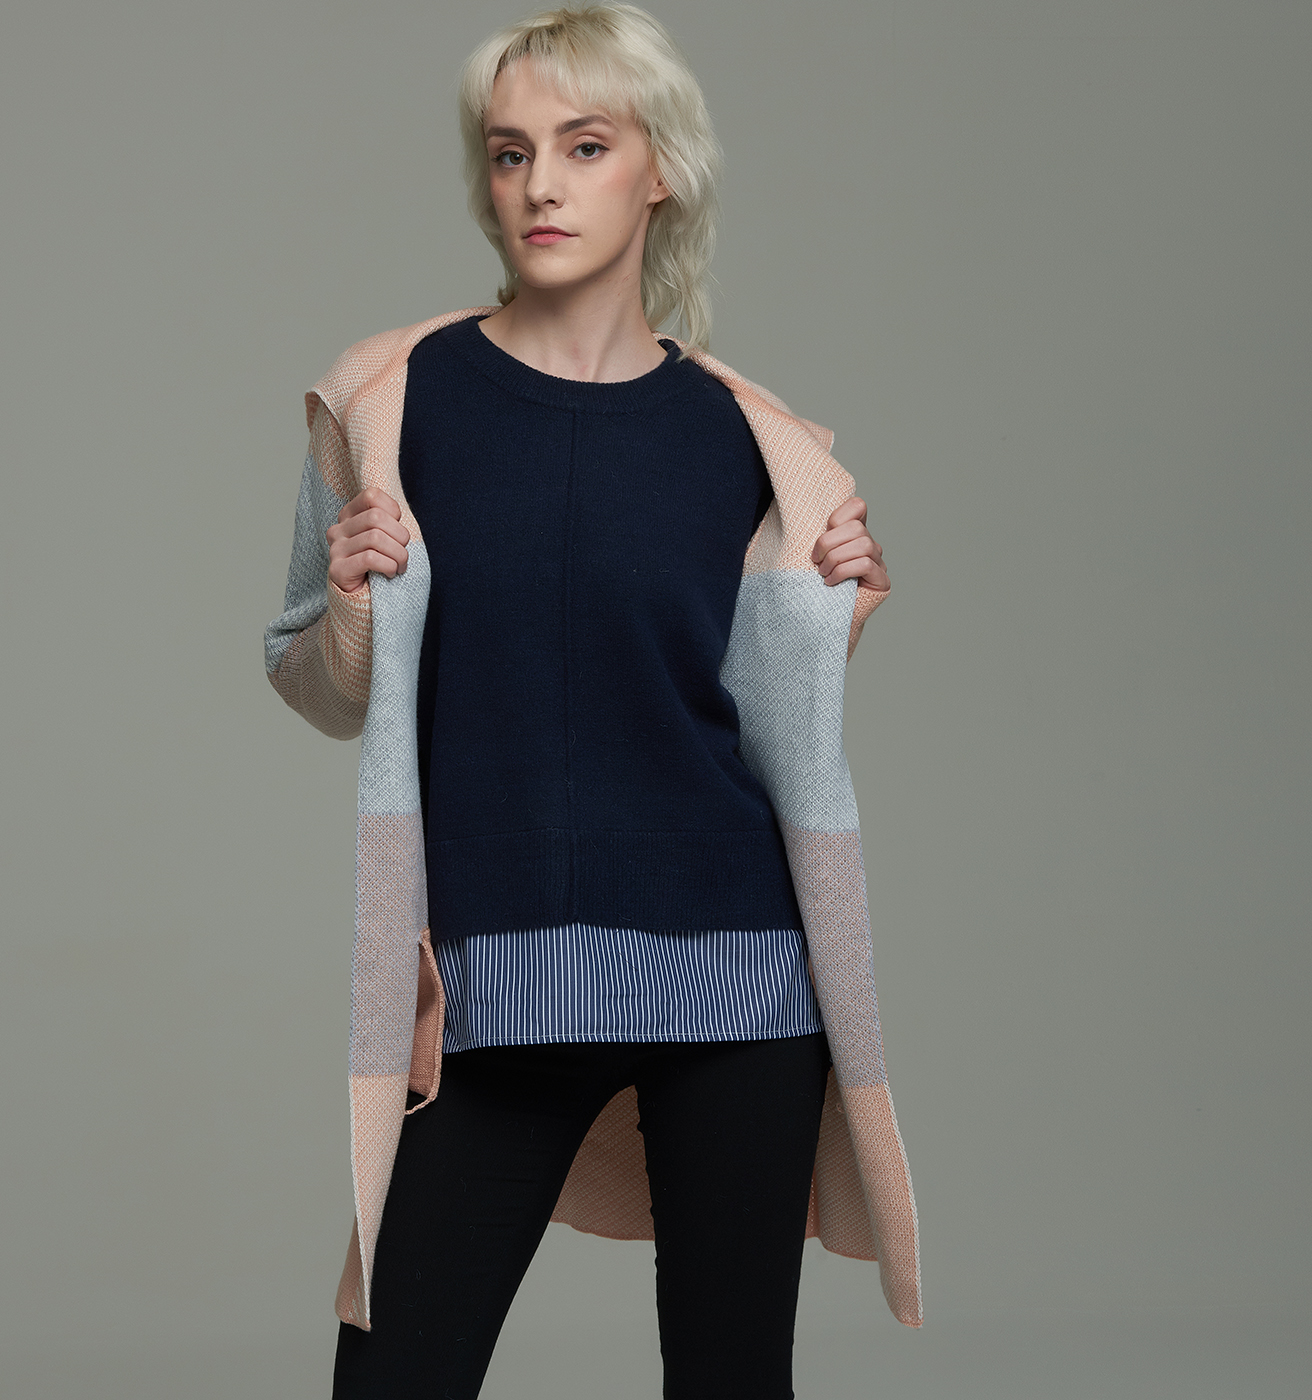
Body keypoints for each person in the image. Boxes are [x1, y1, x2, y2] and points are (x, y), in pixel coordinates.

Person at [264, 7, 919, 1397]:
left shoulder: (757, 441)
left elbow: (748, 709)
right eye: (511, 154)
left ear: (660, 170)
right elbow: (307, 677)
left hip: (738, 978)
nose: (540, 186)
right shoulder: (389, 404)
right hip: (495, 980)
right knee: (391, 1376)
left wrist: (834, 613)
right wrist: (351, 605)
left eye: (584, 146)